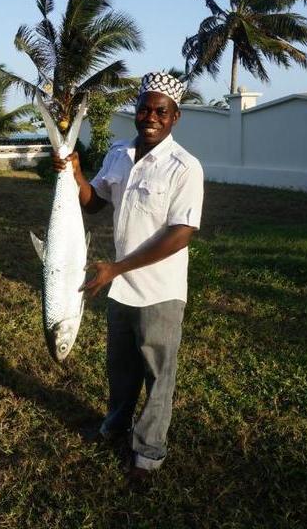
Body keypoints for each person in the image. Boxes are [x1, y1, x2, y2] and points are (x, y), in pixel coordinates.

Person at [52, 72, 204, 482]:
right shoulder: (119, 153)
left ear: (175, 116)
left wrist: (116, 268)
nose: (151, 117)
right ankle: (115, 426)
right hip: (120, 289)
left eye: (161, 111)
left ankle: (148, 454)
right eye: (144, 109)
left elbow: (181, 234)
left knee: (158, 374)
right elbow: (94, 203)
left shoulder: (185, 167)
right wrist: (75, 173)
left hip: (160, 290)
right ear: (136, 111)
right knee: (120, 370)